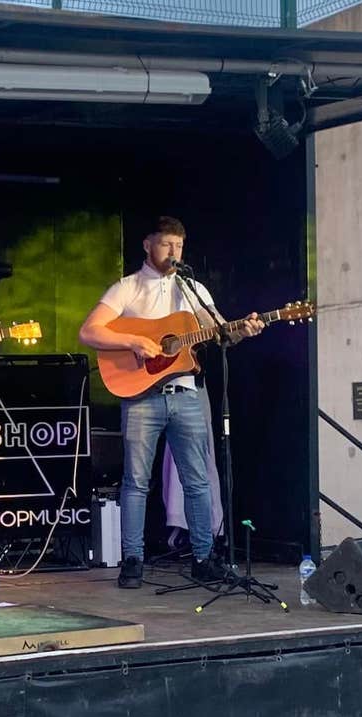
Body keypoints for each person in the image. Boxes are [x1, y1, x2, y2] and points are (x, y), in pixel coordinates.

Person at [78, 216, 264, 588]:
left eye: (179, 245)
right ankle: (133, 560)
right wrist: (133, 341)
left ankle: (203, 557)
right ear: (148, 245)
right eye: (166, 244)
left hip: (187, 394)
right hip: (141, 398)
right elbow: (89, 331)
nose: (174, 252)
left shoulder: (192, 289)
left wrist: (242, 331)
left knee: (197, 480)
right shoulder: (127, 288)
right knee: (136, 481)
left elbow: (221, 333)